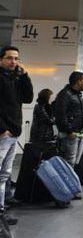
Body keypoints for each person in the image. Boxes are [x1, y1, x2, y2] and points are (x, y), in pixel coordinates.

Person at [0, 46, 34, 224]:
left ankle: (3, 209)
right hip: (4, 133)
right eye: (9, 58)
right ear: (1, 60)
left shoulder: (15, 79)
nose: (13, 61)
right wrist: (2, 129)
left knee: (5, 174)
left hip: (13, 132)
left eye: (16, 58)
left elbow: (28, 98)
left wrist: (25, 76)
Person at [55, 72, 83, 170]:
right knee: (69, 162)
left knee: (72, 161)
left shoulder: (77, 95)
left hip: (77, 133)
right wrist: (69, 131)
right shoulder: (65, 94)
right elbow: (60, 115)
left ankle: (68, 183)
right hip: (70, 134)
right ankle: (65, 184)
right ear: (79, 81)